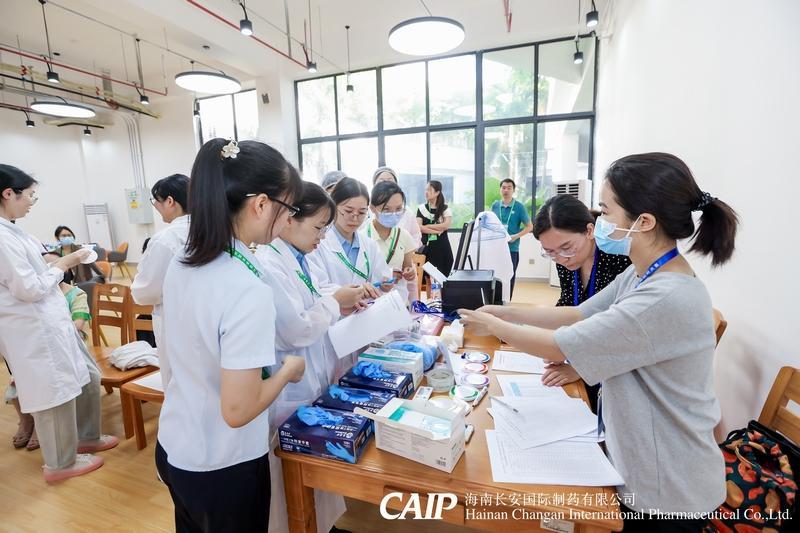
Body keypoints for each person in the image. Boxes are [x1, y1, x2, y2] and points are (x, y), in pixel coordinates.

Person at [459, 152, 736, 529]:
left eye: (605, 212)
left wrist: (493, 326)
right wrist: (506, 313)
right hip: (642, 459)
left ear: (644, 222)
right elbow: (578, 314)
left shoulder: (665, 296)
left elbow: (561, 345)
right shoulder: (644, 273)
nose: (599, 222)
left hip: (667, 485)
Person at [155, 139, 306, 532]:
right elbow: (238, 410)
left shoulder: (184, 262)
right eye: (288, 209)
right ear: (261, 205)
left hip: (177, 444)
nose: (288, 221)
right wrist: (287, 371)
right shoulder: (246, 288)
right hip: (223, 463)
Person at [256, 181, 366, 533]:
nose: (323, 237)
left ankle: (325, 526)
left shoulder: (299, 257)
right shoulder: (270, 264)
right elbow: (295, 329)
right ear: (289, 219)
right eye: (318, 227)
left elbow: (317, 293)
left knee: (317, 470)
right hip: (290, 380)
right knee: (291, 477)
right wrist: (335, 303)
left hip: (311, 373)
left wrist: (341, 297)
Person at [0, 164, 118, 483]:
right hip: (32, 328)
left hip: (50, 321)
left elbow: (34, 271)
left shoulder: (14, 231)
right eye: (30, 196)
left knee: (83, 377)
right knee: (54, 392)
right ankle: (60, 464)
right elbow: (28, 288)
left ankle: (85, 438)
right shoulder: (2, 237)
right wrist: (65, 263)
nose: (31, 202)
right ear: (8, 193)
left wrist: (55, 262)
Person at [532, 194, 631, 410]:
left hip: (615, 368)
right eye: (550, 252)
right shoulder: (565, 260)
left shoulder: (620, 260)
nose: (560, 258)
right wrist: (552, 341)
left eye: (566, 247)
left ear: (589, 231)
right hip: (584, 350)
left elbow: (624, 334)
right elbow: (567, 303)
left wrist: (581, 368)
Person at [131, 173, 190, 388]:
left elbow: (145, 291)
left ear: (170, 201)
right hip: (210, 319)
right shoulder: (211, 230)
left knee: (179, 384)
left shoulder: (167, 239)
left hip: (176, 321)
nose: (155, 206)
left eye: (156, 201)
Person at [309, 177, 396, 293]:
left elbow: (380, 282)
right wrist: (347, 295)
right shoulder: (318, 244)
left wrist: (383, 286)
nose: (355, 218)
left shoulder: (370, 246)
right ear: (333, 206)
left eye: (362, 212)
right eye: (348, 211)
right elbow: (317, 287)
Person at [367, 181, 417, 302]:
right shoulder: (363, 237)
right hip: (371, 304)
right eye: (386, 209)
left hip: (398, 303)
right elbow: (357, 277)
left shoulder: (403, 235)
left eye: (398, 209)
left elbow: (407, 268)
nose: (393, 214)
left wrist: (409, 272)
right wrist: (387, 275)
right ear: (372, 208)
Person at [490, 178, 533, 297]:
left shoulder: (519, 207)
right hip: (496, 248)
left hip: (512, 248)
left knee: (509, 275)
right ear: (500, 189)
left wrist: (516, 236)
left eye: (509, 188)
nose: (506, 190)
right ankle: (495, 299)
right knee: (496, 274)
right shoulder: (495, 205)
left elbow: (530, 226)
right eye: (503, 187)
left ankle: (507, 299)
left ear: (513, 190)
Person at [372, 166, 423, 249]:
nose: (386, 184)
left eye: (390, 181)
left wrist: (407, 250)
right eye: (381, 181)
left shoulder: (407, 212)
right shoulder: (366, 211)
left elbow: (416, 235)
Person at [416, 180, 454, 278]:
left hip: (442, 248)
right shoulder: (421, 208)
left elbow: (445, 226)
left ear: (437, 192)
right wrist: (436, 231)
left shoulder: (445, 209)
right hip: (427, 248)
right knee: (426, 277)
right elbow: (419, 227)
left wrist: (428, 226)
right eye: (426, 190)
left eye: (429, 190)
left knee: (443, 275)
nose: (426, 192)